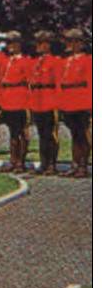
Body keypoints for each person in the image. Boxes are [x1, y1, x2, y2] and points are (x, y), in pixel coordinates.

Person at [58, 28, 92, 178]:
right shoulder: (65, 61)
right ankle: (75, 163)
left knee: (82, 134)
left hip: (81, 101)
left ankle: (83, 165)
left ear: (80, 43)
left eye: (72, 41)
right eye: (68, 41)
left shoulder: (87, 60)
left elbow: (91, 83)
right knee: (74, 134)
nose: (69, 44)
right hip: (68, 101)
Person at [0, 31, 33, 172]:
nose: (10, 46)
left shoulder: (25, 61)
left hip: (20, 98)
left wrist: (29, 102)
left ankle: (21, 162)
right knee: (12, 132)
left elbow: (30, 82)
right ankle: (13, 160)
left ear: (19, 44)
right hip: (8, 99)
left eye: (13, 43)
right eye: (8, 43)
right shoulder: (6, 61)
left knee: (22, 132)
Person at [28, 31, 62, 176]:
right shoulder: (35, 62)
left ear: (48, 45)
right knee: (41, 134)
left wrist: (58, 102)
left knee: (51, 134)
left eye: (41, 43)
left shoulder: (55, 61)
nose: (38, 46)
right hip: (37, 100)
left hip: (49, 100)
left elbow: (58, 83)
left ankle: (52, 164)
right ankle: (43, 163)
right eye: (37, 43)